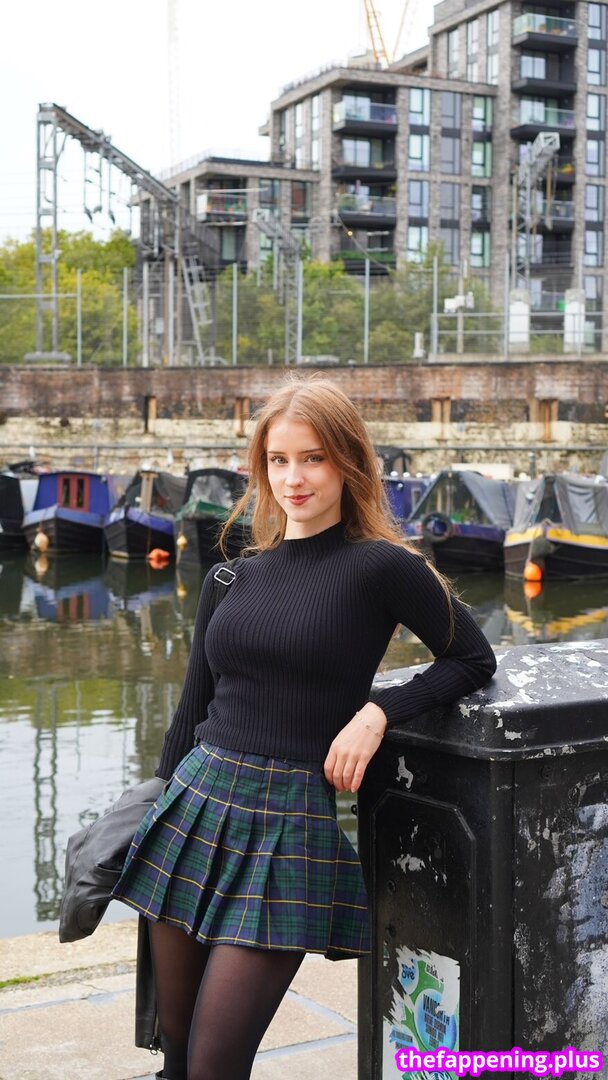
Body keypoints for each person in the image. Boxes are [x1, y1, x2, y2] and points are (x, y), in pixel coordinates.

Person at [112, 375, 496, 1080]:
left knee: (215, 1063)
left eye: (313, 458)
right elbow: (192, 710)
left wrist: (378, 713)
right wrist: (150, 811)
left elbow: (472, 659)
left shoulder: (383, 567)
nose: (294, 478)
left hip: (289, 824)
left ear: (349, 463)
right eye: (279, 460)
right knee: (176, 1053)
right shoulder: (231, 578)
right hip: (193, 807)